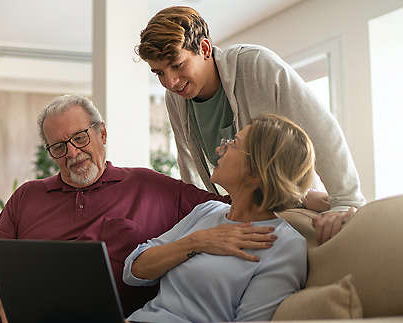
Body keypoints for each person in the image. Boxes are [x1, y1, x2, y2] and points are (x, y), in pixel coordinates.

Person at [0, 95, 280, 323]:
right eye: (59, 147)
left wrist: (317, 203)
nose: (73, 153)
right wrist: (5, 311)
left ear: (101, 134)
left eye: (80, 138)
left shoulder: (152, 186)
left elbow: (238, 202)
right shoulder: (28, 195)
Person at [137, 6, 364, 244]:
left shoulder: (256, 65)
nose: (170, 82)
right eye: (159, 73)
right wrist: (198, 222)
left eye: (177, 65)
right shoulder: (176, 99)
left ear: (203, 49)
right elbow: (189, 166)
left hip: (290, 206)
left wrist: (345, 202)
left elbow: (320, 128)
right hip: (238, 213)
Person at [124, 114, 314, 322]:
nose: (219, 149)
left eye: (233, 143)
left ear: (257, 171)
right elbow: (134, 270)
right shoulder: (208, 211)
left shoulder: (284, 245)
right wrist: (197, 242)